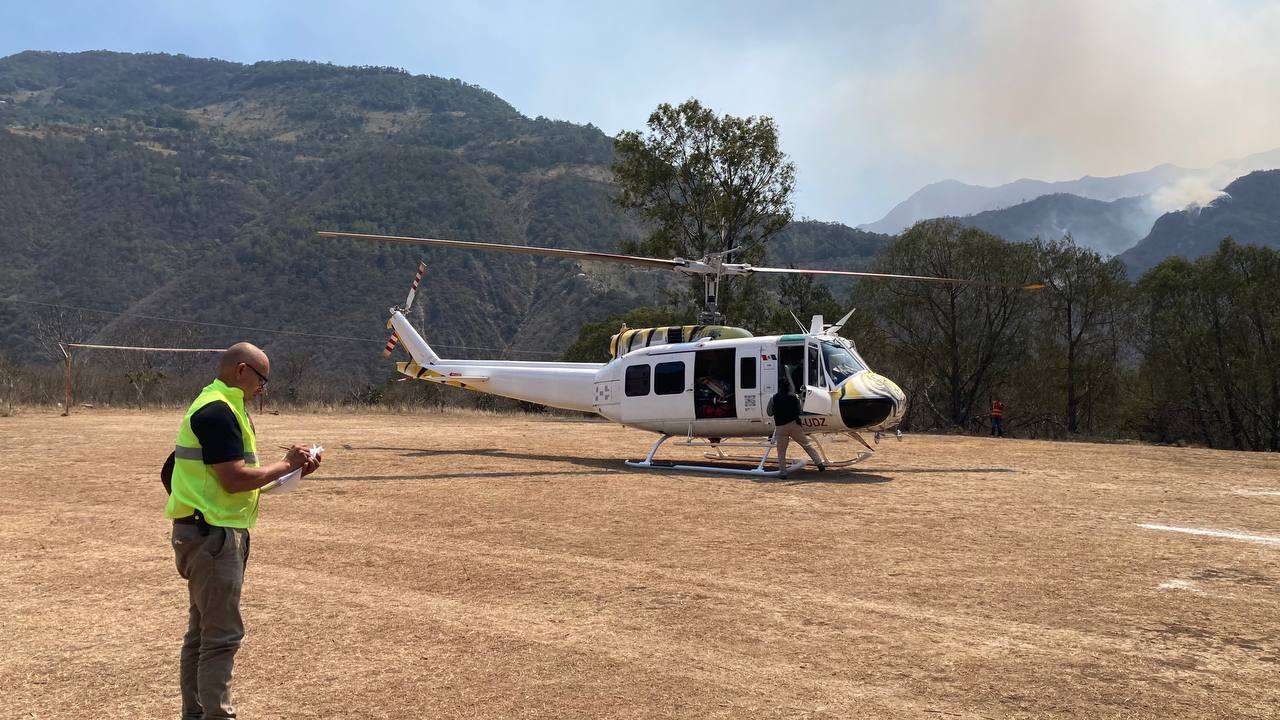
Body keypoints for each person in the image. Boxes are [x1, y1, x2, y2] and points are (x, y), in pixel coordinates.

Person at [165, 342, 322, 719]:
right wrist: (285, 464)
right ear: (241, 370)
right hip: (213, 539)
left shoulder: (220, 404)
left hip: (209, 533)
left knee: (202, 635)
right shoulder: (218, 411)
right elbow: (234, 479)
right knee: (221, 638)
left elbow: (186, 475)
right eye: (261, 380)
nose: (262, 389)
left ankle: (196, 712)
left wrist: (293, 472)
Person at [767, 377, 826, 478]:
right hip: (794, 425)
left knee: (781, 452)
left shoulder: (773, 398)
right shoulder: (794, 397)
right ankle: (819, 463)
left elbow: (769, 412)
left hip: (780, 427)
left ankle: (783, 473)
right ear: (789, 386)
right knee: (807, 445)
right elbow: (799, 410)